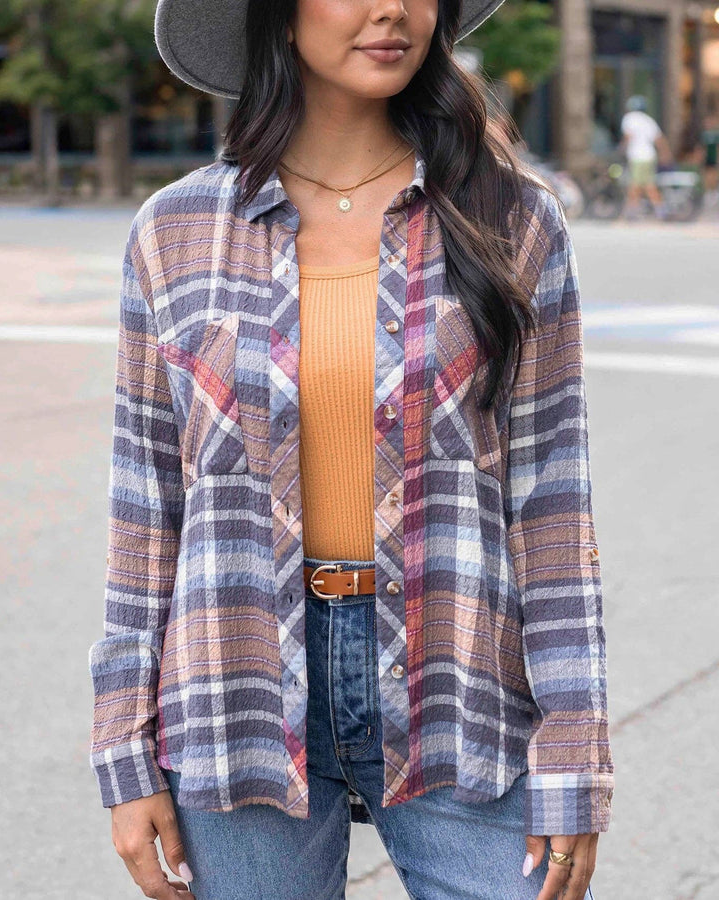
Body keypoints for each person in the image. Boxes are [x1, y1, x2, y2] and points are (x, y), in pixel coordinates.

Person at [88, 1, 614, 899]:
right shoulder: (174, 234)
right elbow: (146, 517)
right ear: (278, 14)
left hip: (459, 680)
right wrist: (122, 751)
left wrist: (574, 743)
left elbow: (553, 508)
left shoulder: (512, 221)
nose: (391, 9)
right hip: (234, 681)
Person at [619, 94, 672, 220]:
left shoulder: (629, 118)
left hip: (637, 156)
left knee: (636, 183)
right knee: (648, 183)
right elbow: (659, 139)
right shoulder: (648, 120)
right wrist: (666, 155)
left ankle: (632, 211)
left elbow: (628, 136)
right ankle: (659, 209)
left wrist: (621, 149)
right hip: (649, 156)